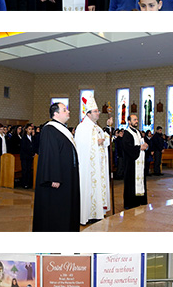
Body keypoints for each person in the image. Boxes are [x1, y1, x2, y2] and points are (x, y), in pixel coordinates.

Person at [32, 102, 80, 232]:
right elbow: (49, 154)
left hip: (67, 176)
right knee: (55, 210)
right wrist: (54, 177)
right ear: (56, 114)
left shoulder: (62, 129)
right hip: (57, 179)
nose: (68, 112)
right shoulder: (49, 129)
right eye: (65, 110)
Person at [75, 95, 111, 226]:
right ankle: (88, 214)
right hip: (89, 167)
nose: (98, 113)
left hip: (99, 165)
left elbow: (105, 139)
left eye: (98, 111)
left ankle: (97, 213)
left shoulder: (97, 127)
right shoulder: (82, 127)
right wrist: (96, 142)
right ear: (88, 114)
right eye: (95, 111)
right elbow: (81, 146)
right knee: (89, 188)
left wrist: (107, 132)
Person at [122, 114, 148, 209]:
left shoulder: (138, 132)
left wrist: (145, 145)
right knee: (131, 182)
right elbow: (127, 147)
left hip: (139, 161)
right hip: (131, 163)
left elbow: (141, 143)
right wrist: (139, 148)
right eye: (134, 120)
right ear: (129, 121)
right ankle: (130, 203)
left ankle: (140, 200)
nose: (136, 121)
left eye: (137, 119)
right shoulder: (127, 133)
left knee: (140, 181)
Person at [20, 124, 35, 189]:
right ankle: (24, 183)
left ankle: (28, 183)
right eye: (29, 129)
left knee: (29, 170)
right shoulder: (24, 138)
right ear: (26, 130)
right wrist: (31, 153)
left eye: (31, 129)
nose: (30, 130)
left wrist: (33, 153)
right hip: (25, 156)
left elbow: (33, 146)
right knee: (25, 170)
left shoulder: (32, 137)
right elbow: (24, 148)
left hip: (30, 157)